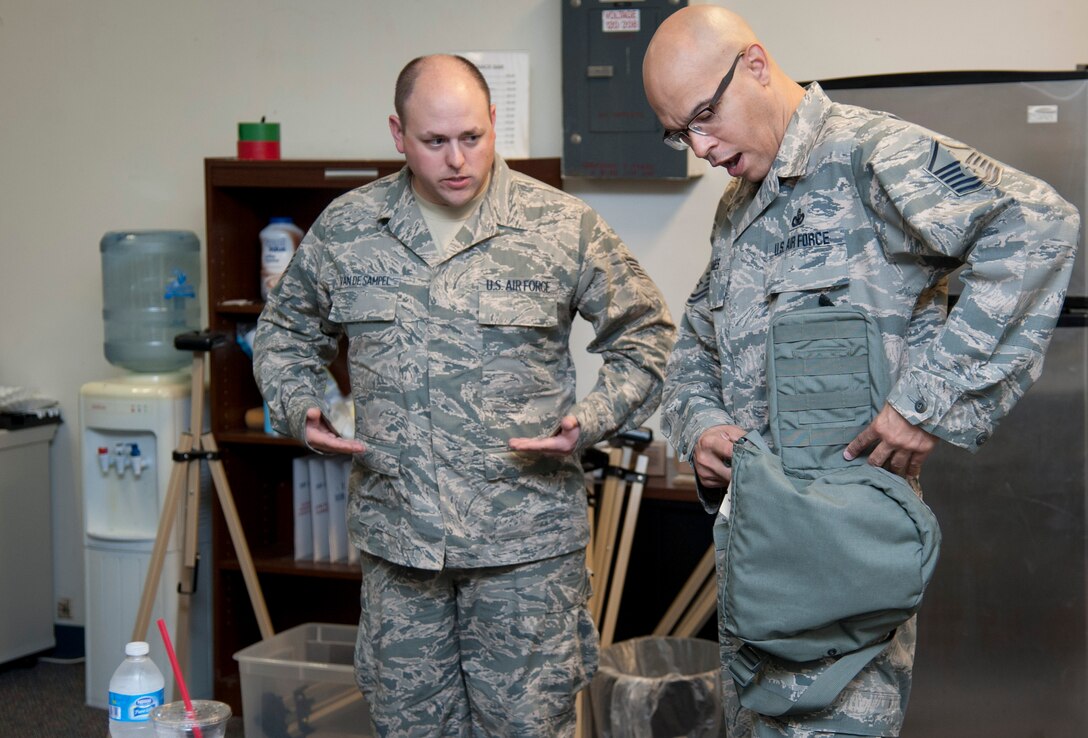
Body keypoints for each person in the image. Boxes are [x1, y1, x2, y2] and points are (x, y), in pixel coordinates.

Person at [643, 6, 1079, 737]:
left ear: (754, 64)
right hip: (761, 574)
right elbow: (696, 342)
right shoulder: (737, 206)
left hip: (844, 577)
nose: (700, 146)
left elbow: (1036, 225)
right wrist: (702, 422)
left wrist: (924, 405)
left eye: (706, 116)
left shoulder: (870, 155)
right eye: (679, 132)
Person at [253, 54, 674, 737]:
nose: (457, 160)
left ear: (494, 125)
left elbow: (648, 335)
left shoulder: (560, 226)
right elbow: (284, 332)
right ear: (398, 135)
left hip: (526, 553)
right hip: (401, 547)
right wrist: (302, 402)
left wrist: (591, 419)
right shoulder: (350, 229)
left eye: (472, 138)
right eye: (434, 141)